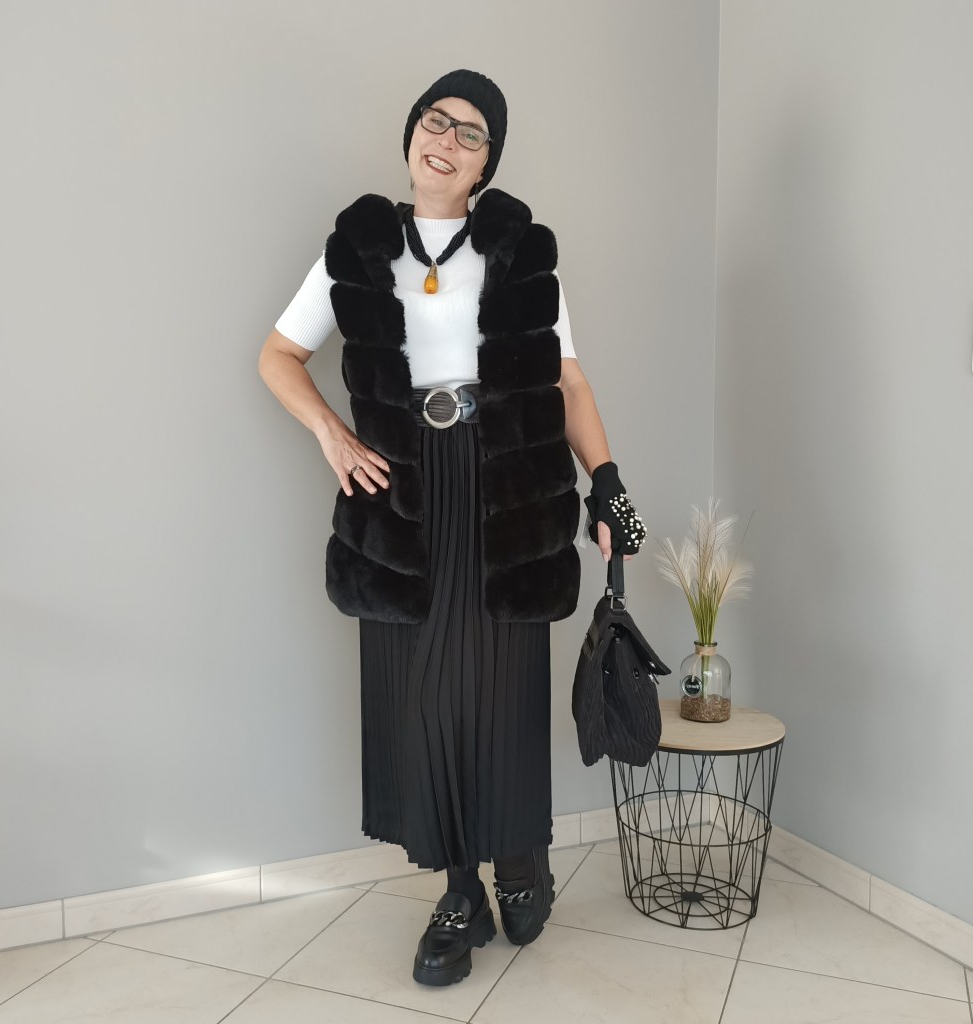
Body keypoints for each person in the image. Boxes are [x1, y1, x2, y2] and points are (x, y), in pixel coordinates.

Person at [258, 70, 645, 987]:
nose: (448, 140)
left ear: (485, 164)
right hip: (403, 496)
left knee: (501, 690)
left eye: (471, 134)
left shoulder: (519, 250)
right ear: (412, 134)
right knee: (426, 699)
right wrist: (332, 436)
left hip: (505, 488)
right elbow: (277, 356)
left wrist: (608, 486)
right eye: (437, 121)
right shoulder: (357, 249)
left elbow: (568, 381)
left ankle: (521, 860)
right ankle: (459, 892)